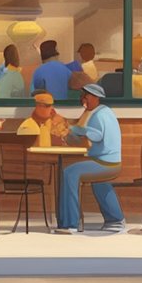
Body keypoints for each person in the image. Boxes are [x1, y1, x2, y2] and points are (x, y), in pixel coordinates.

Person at [55, 83, 126, 234]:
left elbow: (96, 135)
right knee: (99, 184)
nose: (82, 100)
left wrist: (74, 129)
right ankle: (115, 220)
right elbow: (82, 131)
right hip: (106, 161)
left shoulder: (100, 115)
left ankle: (70, 223)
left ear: (95, 97)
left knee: (70, 173)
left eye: (85, 96)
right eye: (82, 97)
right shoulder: (99, 112)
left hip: (105, 162)